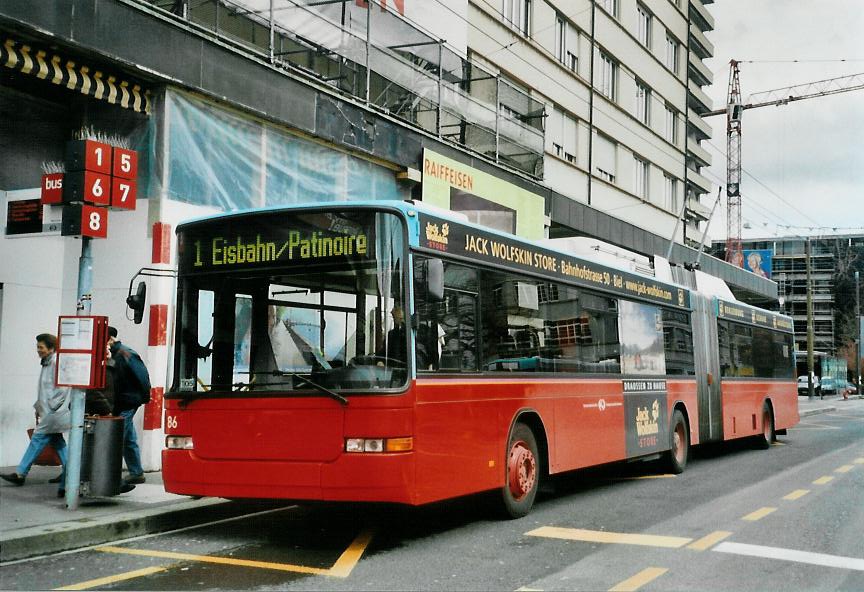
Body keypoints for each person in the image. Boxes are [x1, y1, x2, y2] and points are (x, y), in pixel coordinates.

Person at [1, 334, 71, 498]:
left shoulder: (55, 363)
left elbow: (63, 387)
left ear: (51, 348)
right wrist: (39, 407)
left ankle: (21, 473)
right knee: (58, 444)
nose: (38, 350)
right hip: (49, 412)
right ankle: (69, 477)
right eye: (38, 347)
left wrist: (51, 407)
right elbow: (45, 389)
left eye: (41, 347)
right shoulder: (47, 363)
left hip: (54, 413)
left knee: (38, 439)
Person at [108, 326, 150, 487]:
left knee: (117, 438)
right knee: (128, 438)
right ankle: (136, 472)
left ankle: (112, 477)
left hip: (128, 401)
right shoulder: (115, 353)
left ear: (110, 339)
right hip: (123, 401)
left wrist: (143, 397)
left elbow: (142, 377)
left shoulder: (125, 353)